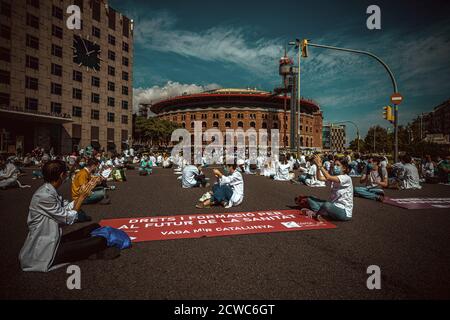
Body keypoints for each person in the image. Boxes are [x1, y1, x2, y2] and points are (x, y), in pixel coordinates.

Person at [19, 160, 121, 272]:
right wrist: (82, 197)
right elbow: (68, 219)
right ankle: (90, 252)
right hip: (44, 250)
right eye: (66, 174)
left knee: (94, 226)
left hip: (53, 238)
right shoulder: (44, 196)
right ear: (62, 175)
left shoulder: (48, 190)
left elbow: (67, 207)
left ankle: (86, 249)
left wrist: (86, 192)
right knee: (99, 240)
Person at [306, 155, 353, 221]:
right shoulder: (334, 177)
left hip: (344, 212)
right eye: (335, 165)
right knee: (311, 199)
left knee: (326, 205)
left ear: (344, 168)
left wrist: (320, 166)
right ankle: (321, 214)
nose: (335, 167)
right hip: (333, 205)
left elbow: (328, 177)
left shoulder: (346, 178)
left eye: (338, 165)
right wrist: (317, 166)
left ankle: (318, 213)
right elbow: (319, 178)